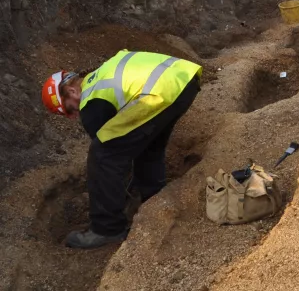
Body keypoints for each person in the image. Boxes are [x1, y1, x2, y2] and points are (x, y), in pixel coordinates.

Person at [41, 50, 202, 249]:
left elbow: (112, 154)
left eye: (70, 109)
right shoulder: (101, 75)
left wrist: (113, 184)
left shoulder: (91, 101)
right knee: (149, 145)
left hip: (158, 93)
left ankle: (107, 229)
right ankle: (152, 196)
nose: (75, 115)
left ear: (73, 92)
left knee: (102, 156)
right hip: (184, 80)